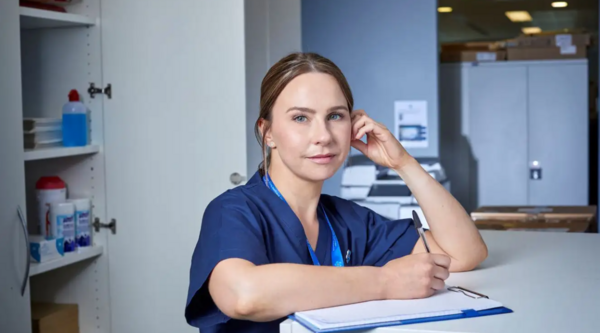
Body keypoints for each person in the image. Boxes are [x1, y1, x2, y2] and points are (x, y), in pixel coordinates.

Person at [185, 52, 488, 333]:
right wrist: (384, 281)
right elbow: (244, 295)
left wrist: (403, 163)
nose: (323, 136)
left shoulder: (348, 220)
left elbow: (463, 253)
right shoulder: (233, 211)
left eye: (335, 116)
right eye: (300, 118)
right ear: (268, 133)